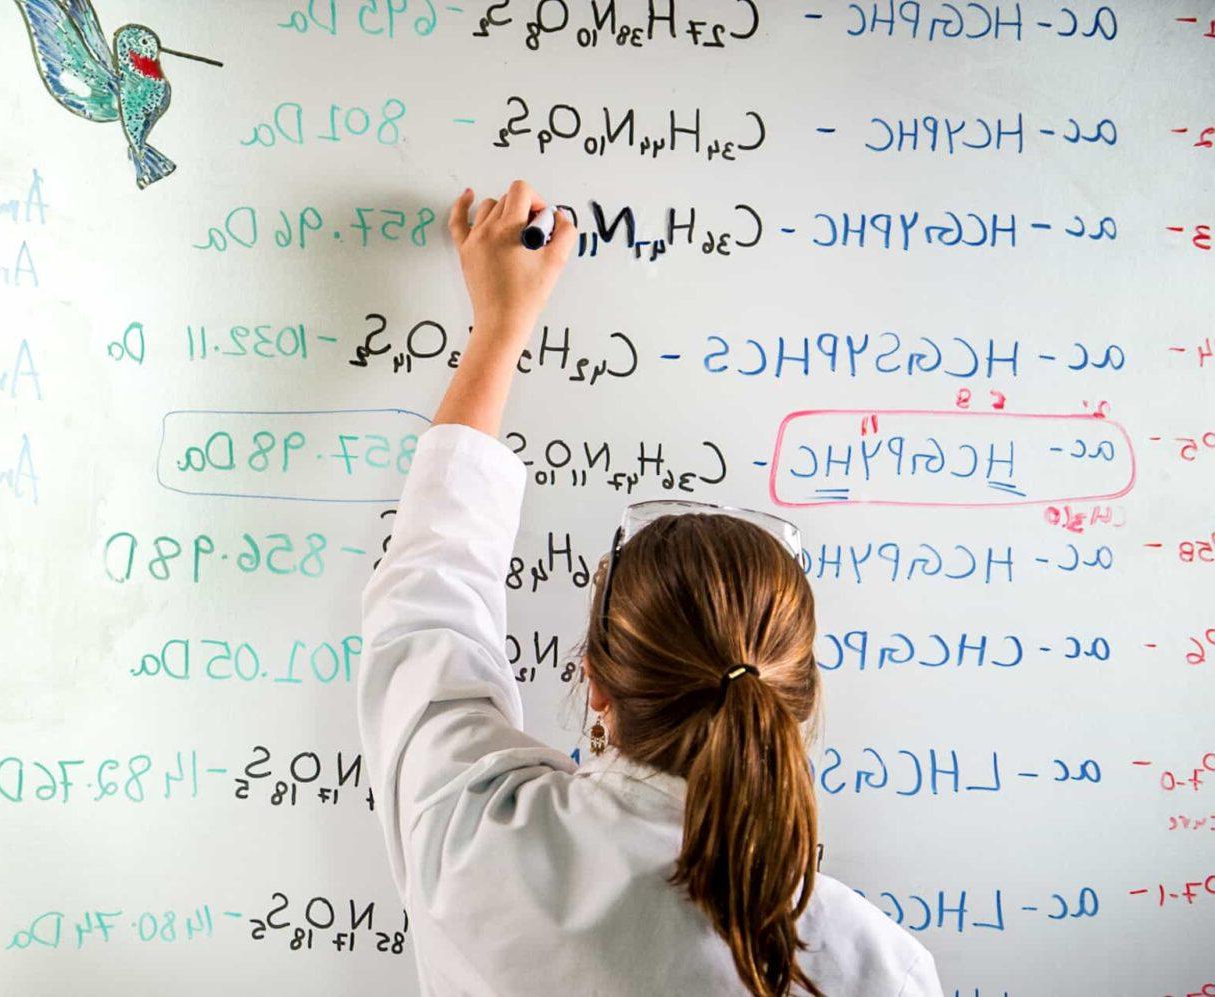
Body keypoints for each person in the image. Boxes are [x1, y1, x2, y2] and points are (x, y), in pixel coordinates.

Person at [356, 179, 941, 996]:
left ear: (591, 679)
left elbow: (428, 587)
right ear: (798, 700)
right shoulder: (863, 963)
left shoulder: (473, 839)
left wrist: (499, 327)